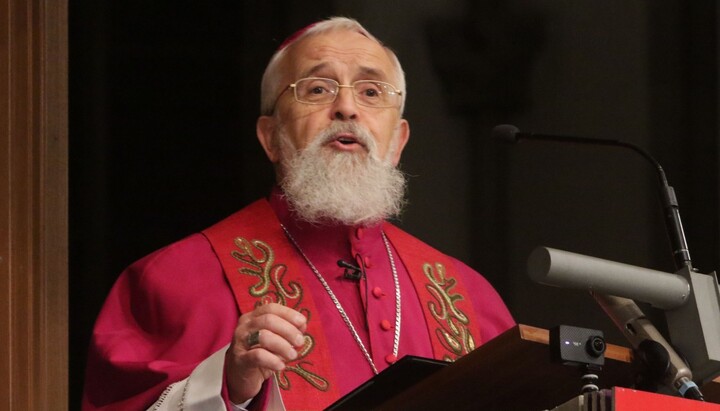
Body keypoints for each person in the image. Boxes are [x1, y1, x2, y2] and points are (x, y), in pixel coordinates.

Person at [82, 17, 514, 411]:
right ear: (271, 137)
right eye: (318, 89)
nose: (347, 108)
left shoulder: (471, 298)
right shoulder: (172, 282)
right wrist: (228, 384)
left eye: (370, 92)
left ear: (398, 140)